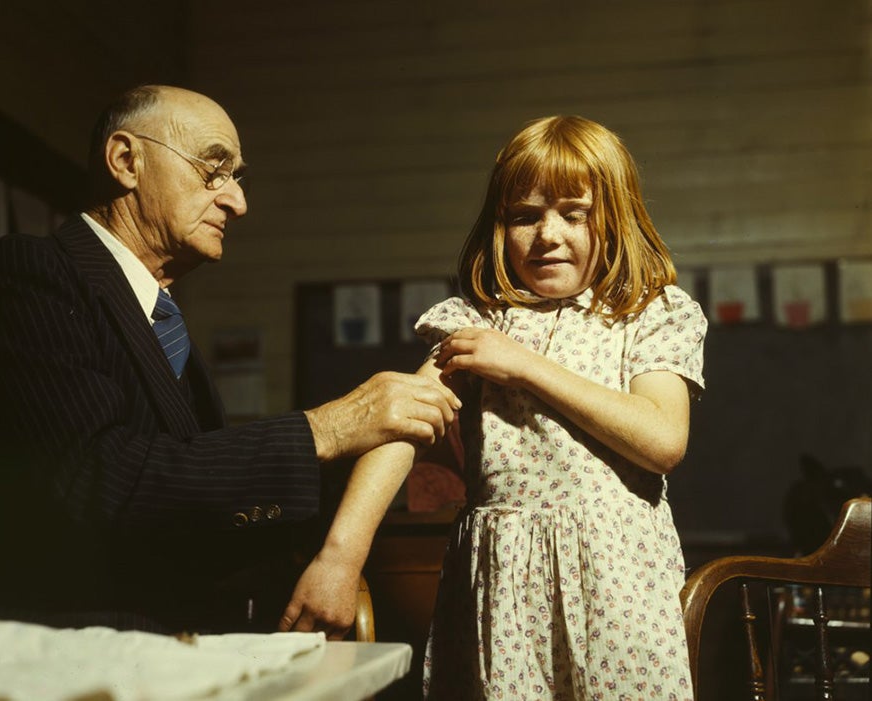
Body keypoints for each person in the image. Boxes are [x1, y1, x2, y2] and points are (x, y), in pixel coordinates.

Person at [0, 84, 460, 634]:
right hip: (69, 655)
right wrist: (328, 429)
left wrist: (344, 532)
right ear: (125, 160)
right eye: (214, 170)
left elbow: (196, 496)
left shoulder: (162, 321)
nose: (238, 202)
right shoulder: (30, 274)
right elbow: (95, 477)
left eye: (238, 179)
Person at [281, 115, 707, 699]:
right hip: (501, 581)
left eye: (574, 213)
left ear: (617, 218)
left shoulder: (648, 313)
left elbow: (661, 440)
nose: (548, 234)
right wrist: (339, 559)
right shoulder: (477, 323)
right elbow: (401, 433)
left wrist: (525, 366)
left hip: (617, 581)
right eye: (524, 216)